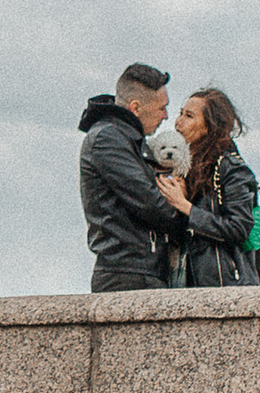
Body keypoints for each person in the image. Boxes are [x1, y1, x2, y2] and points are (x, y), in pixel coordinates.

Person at [77, 63, 219, 293]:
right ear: (136, 107)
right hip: (128, 275)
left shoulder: (128, 139)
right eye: (162, 108)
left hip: (144, 272)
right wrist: (182, 203)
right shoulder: (109, 139)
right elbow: (153, 205)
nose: (166, 116)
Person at [177, 83, 260, 286]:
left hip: (227, 284)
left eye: (189, 116)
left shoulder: (231, 168)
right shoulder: (186, 168)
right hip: (192, 282)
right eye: (180, 114)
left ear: (211, 126)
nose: (177, 123)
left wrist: (185, 207)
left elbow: (239, 228)